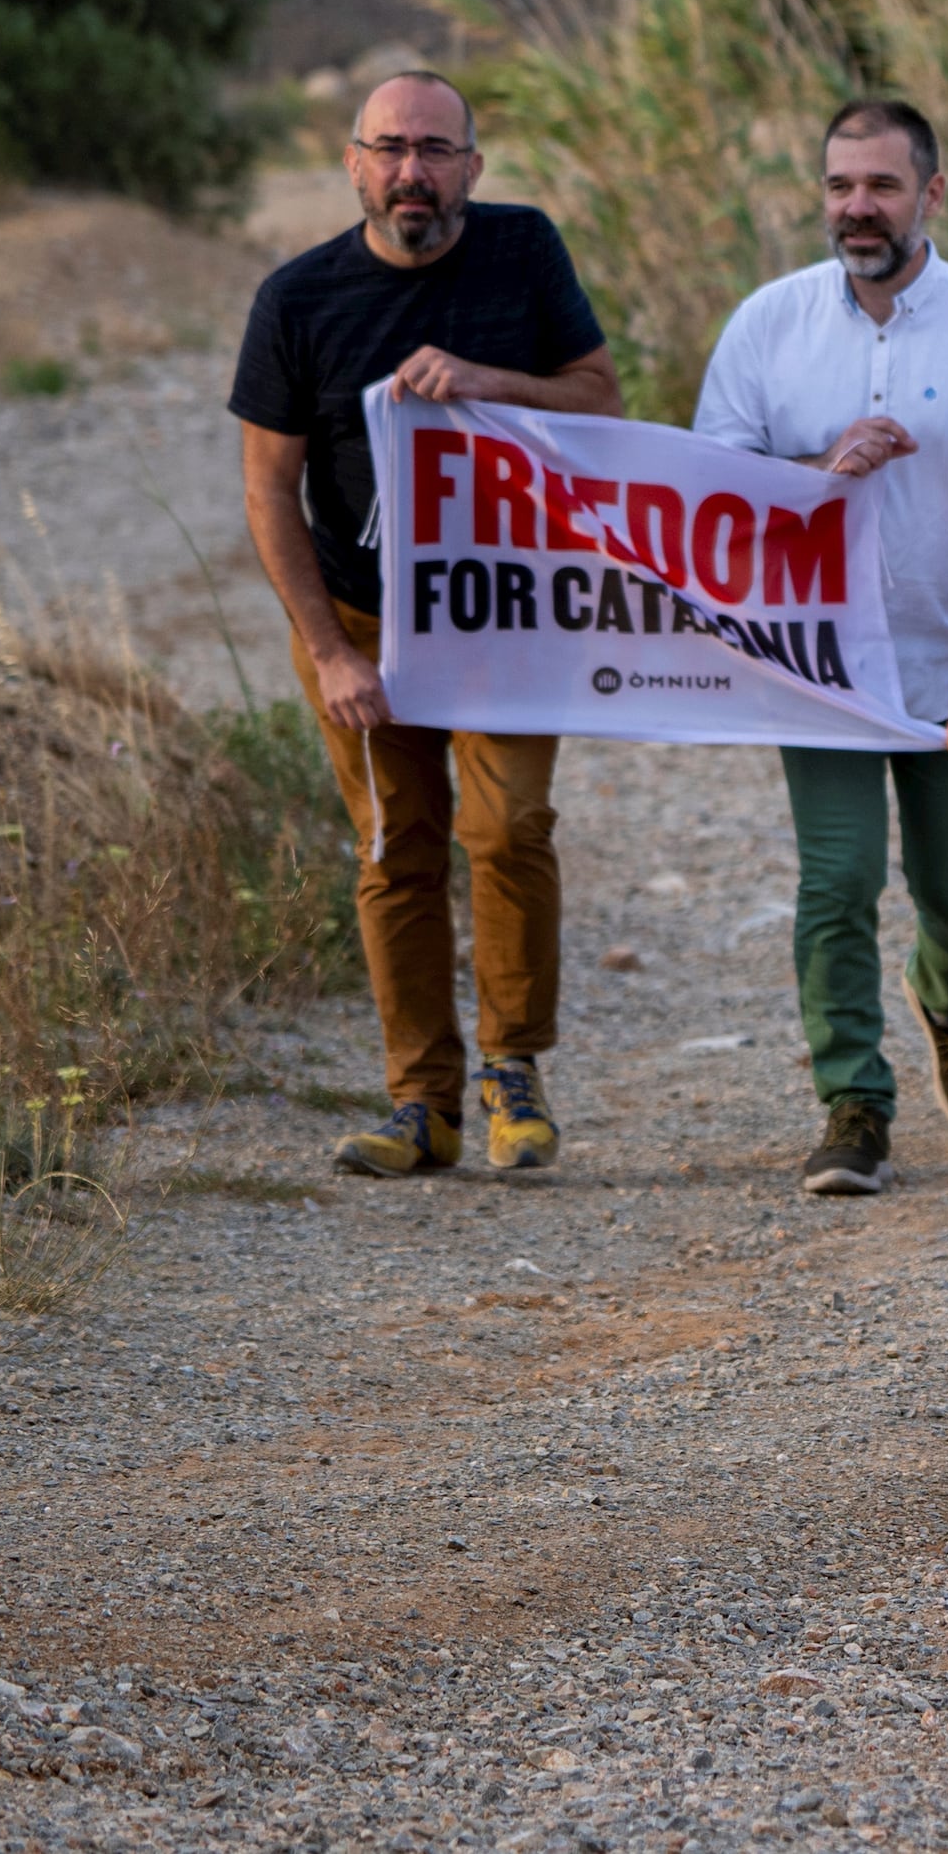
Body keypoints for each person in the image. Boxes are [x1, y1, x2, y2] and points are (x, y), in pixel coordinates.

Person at [232, 70, 623, 1179]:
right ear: (354, 163)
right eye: (391, 148)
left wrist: (486, 384)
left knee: (506, 834)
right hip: (360, 620)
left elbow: (599, 397)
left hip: (499, 610)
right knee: (394, 851)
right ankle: (422, 1104)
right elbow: (268, 491)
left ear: (472, 168)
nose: (414, 171)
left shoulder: (524, 251)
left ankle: (512, 1073)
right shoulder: (297, 299)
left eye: (437, 150)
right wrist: (328, 650)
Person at [693, 98, 948, 1202]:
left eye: (879, 186)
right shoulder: (765, 328)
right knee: (839, 878)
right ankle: (854, 1103)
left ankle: (947, 999)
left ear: (931, 195)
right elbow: (709, 505)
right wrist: (820, 472)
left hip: (947, 667)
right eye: (837, 187)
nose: (855, 208)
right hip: (813, 666)